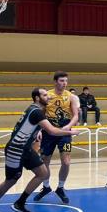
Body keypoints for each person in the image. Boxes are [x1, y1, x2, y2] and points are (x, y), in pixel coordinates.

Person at [0, 88, 79, 212]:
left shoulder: (35, 110)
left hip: (26, 148)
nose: (48, 97)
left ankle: (20, 202)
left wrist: (37, 132)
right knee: (11, 180)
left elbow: (33, 125)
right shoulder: (36, 112)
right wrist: (70, 132)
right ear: (37, 98)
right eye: (45, 95)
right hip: (15, 149)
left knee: (43, 173)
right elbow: (51, 131)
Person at [34, 71, 80, 204]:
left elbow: (76, 116)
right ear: (55, 81)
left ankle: (60, 187)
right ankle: (46, 187)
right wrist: (39, 129)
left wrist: (69, 127)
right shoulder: (47, 95)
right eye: (61, 81)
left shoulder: (71, 97)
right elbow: (40, 113)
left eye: (66, 81)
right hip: (49, 131)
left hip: (65, 132)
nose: (64, 83)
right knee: (44, 161)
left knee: (66, 162)